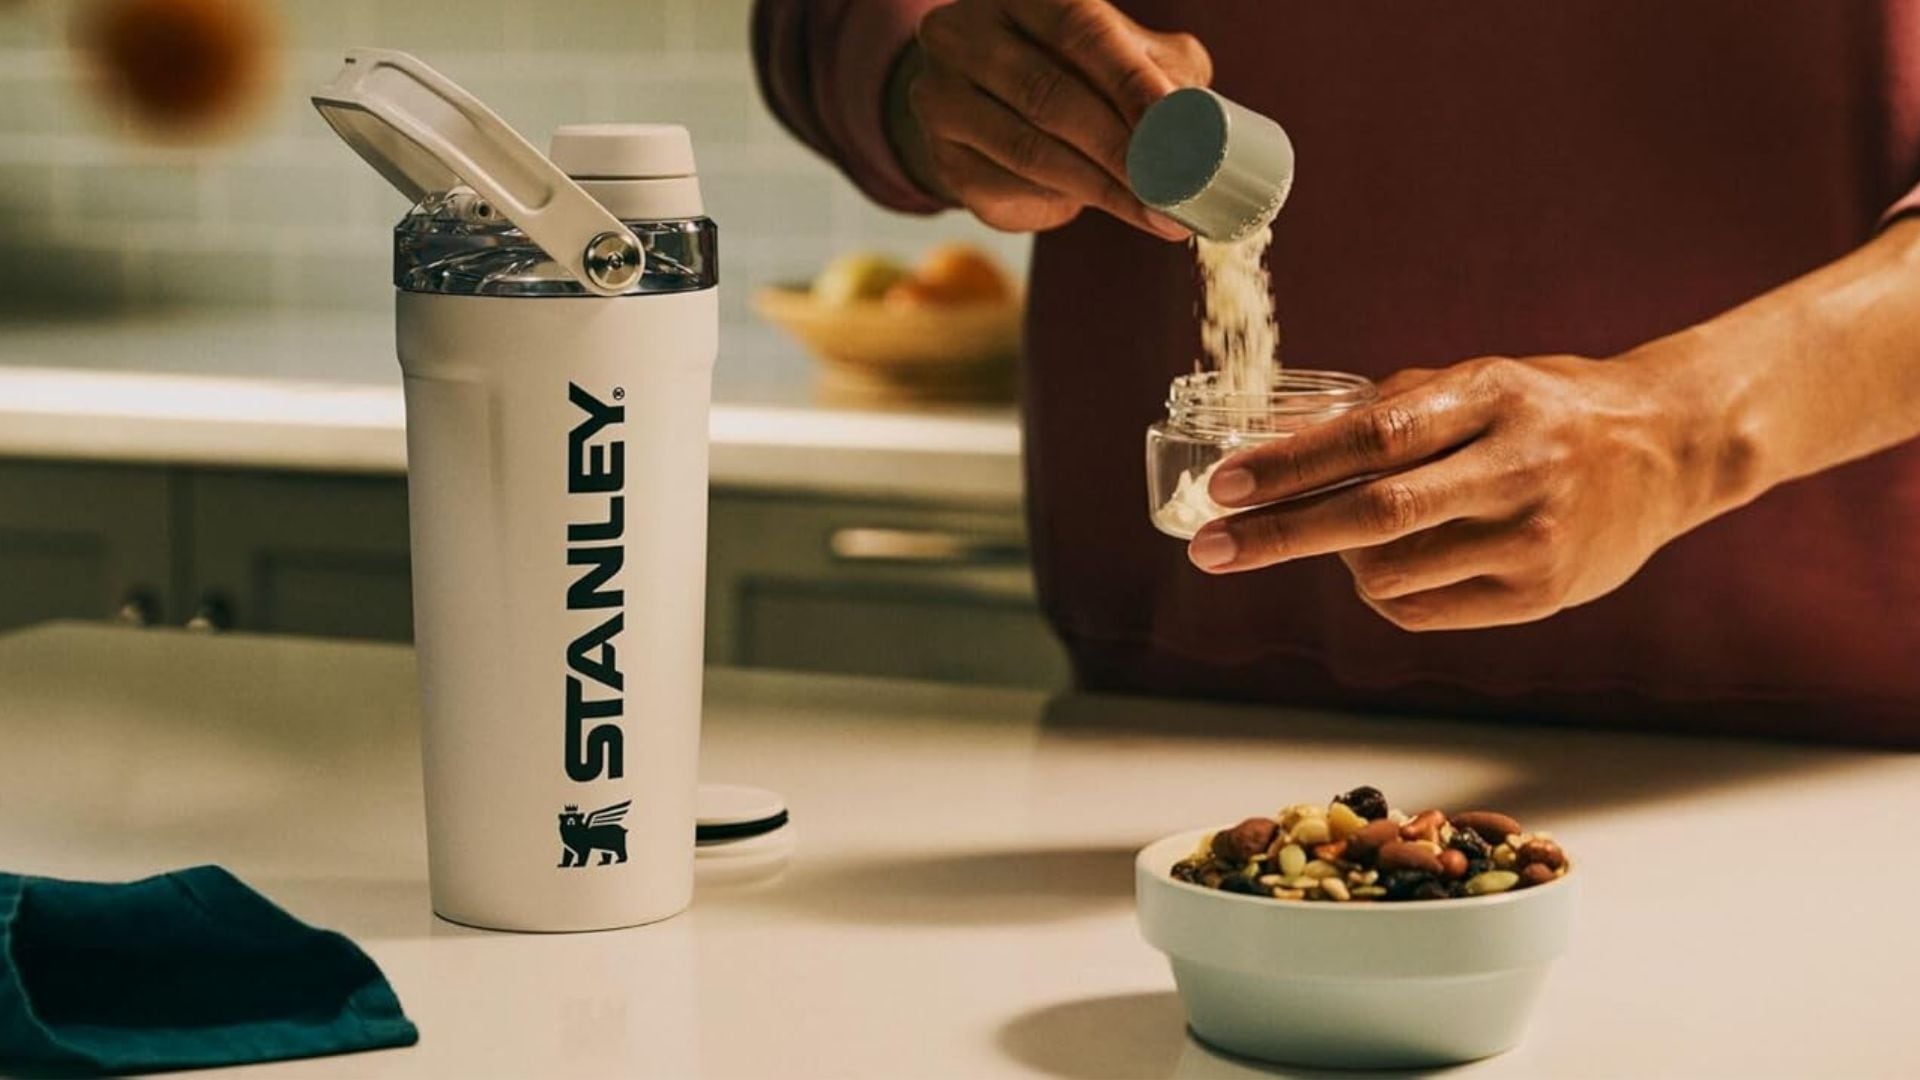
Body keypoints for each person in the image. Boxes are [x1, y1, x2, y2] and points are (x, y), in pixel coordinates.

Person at [752, 0, 1920, 745]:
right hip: (1179, 714)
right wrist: (927, 79)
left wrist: (1687, 429)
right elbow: (831, 22)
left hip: (1802, 732)